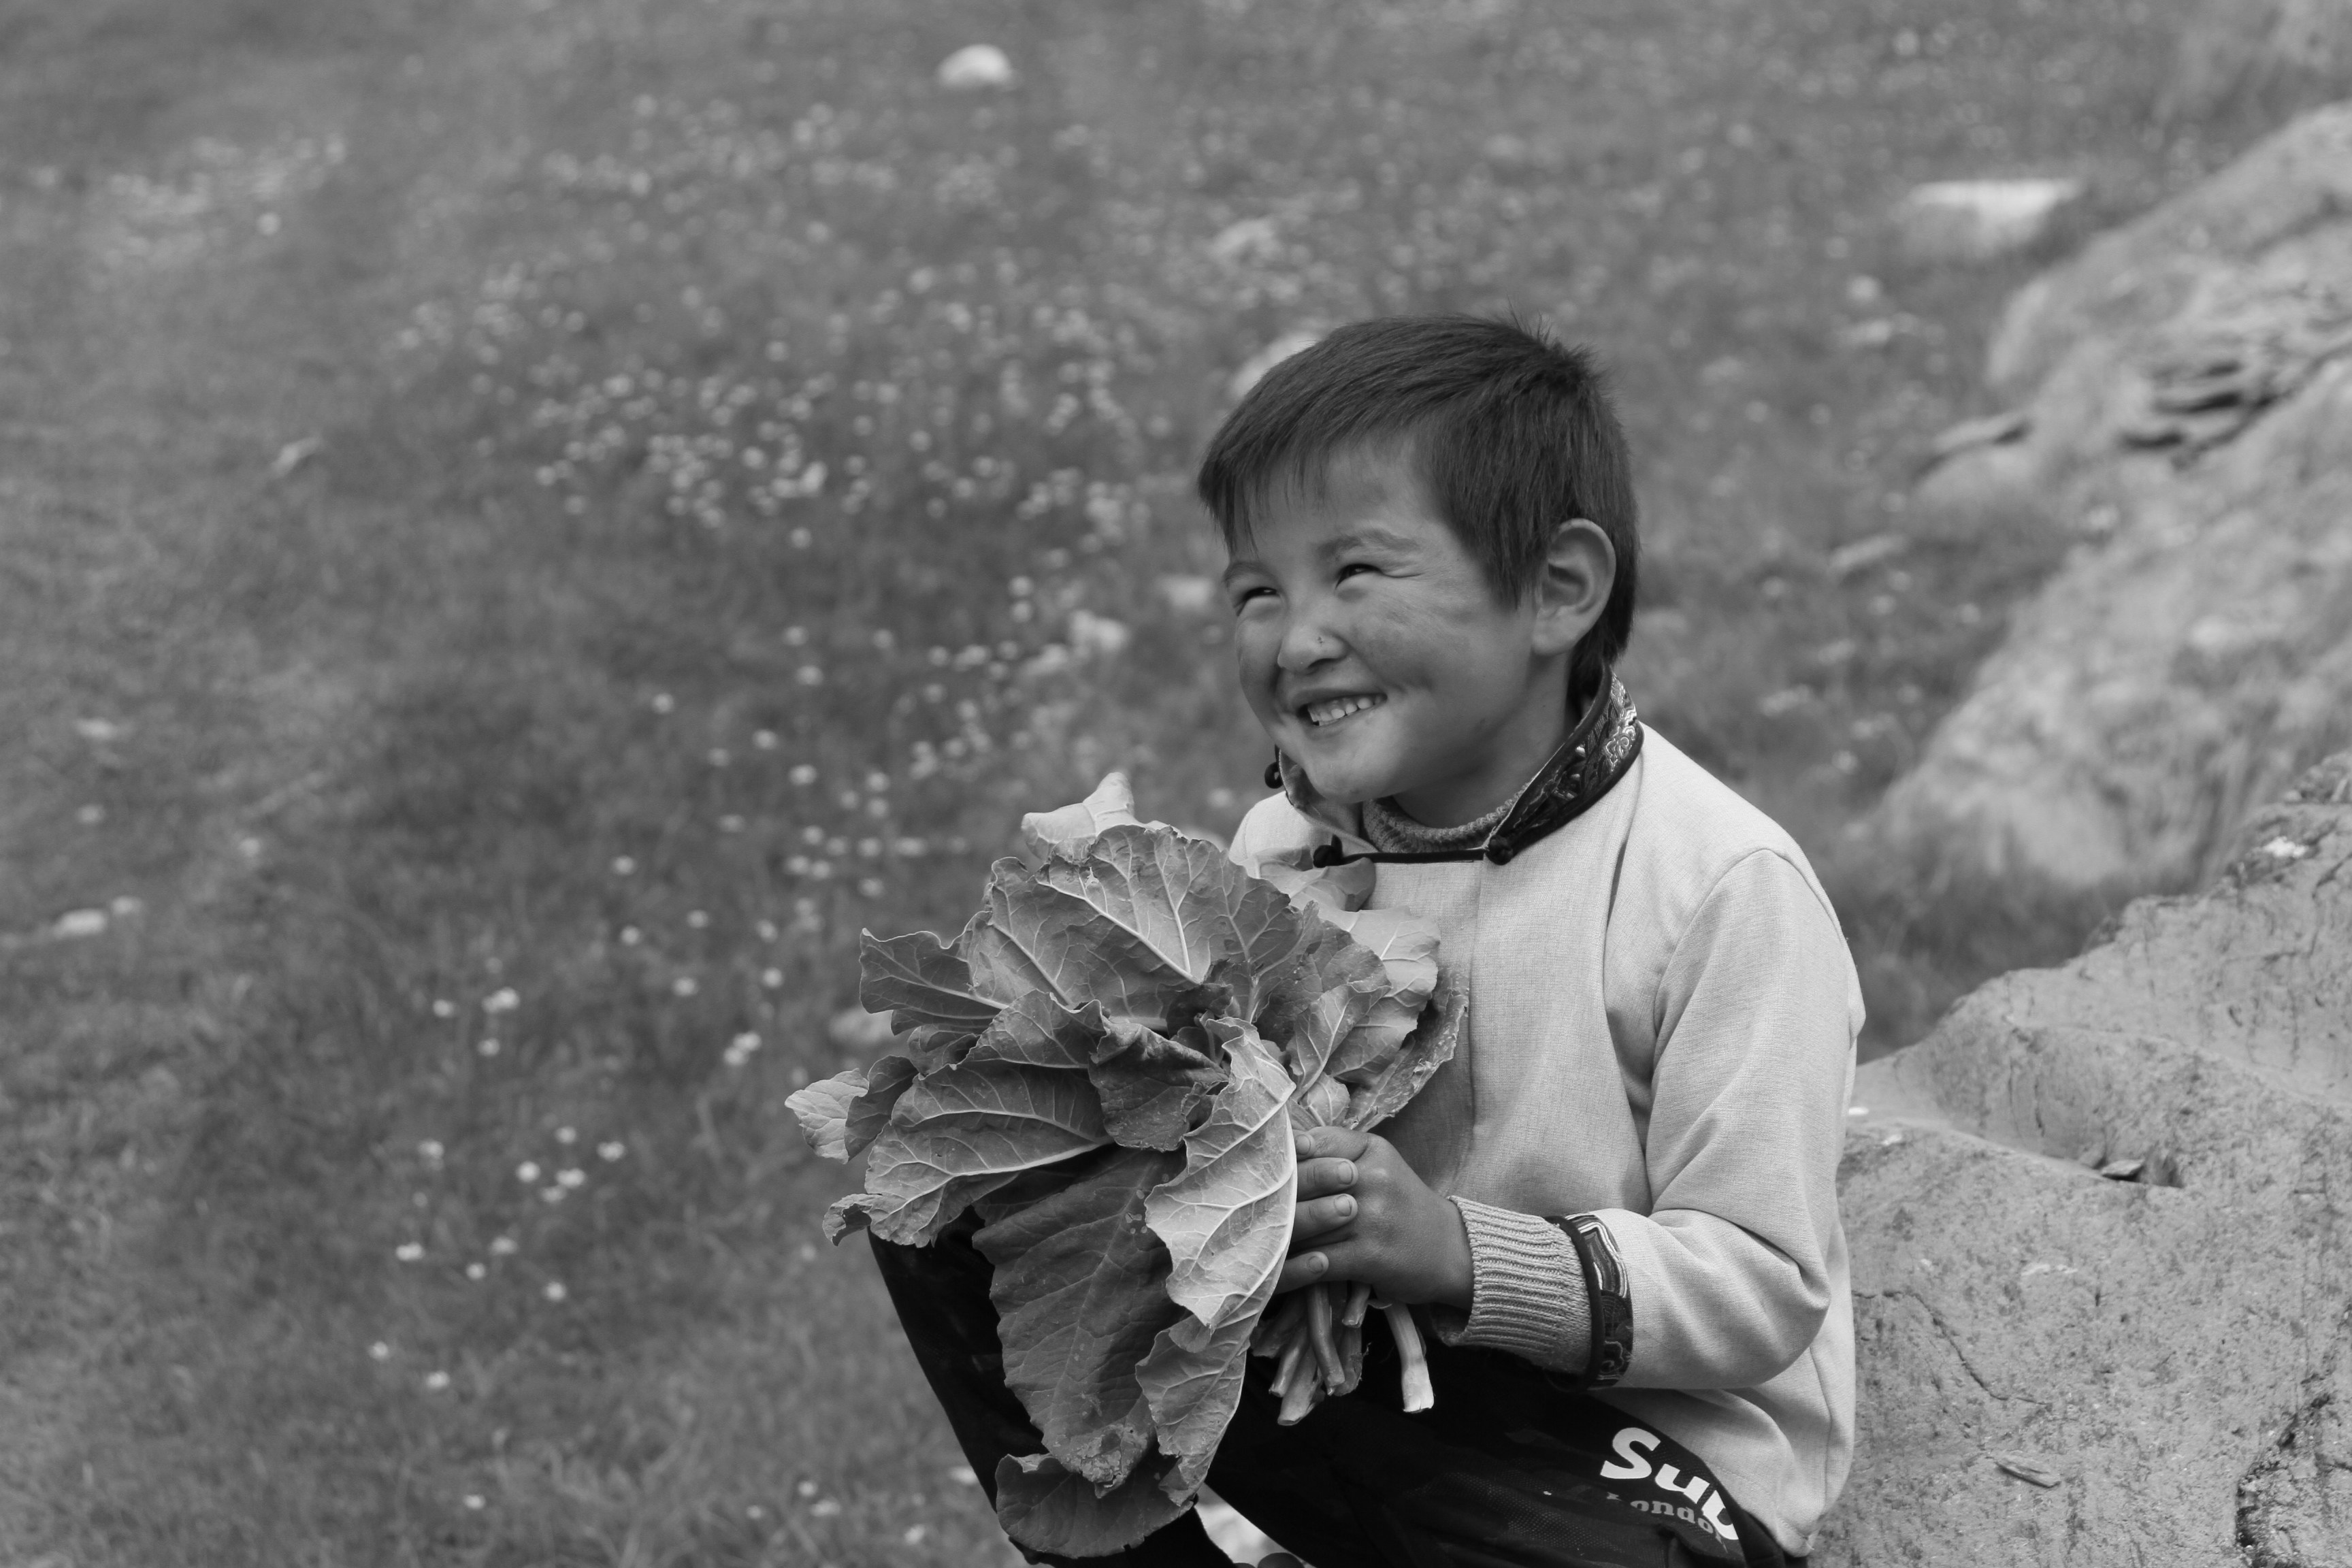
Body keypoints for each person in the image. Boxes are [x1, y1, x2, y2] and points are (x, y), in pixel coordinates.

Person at [872, 313, 1860, 1567]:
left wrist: (1455, 1254)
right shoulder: (1278, 850)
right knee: (957, 1191)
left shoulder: (1720, 890)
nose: (1297, 638)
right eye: (1255, 591)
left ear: (1559, 589)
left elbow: (1762, 1285)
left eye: (1358, 573)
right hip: (1389, 1395)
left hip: (1640, 1458)